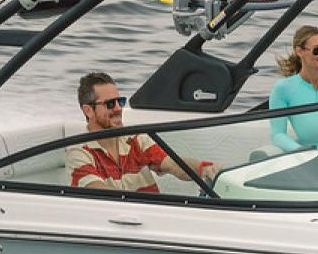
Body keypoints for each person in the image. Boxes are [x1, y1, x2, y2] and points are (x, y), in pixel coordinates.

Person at [66, 72, 216, 193]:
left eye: (120, 102)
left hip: (153, 215)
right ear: (88, 110)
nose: (118, 108)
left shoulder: (136, 139)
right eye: (110, 104)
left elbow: (171, 164)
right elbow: (98, 191)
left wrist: (203, 169)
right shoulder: (78, 153)